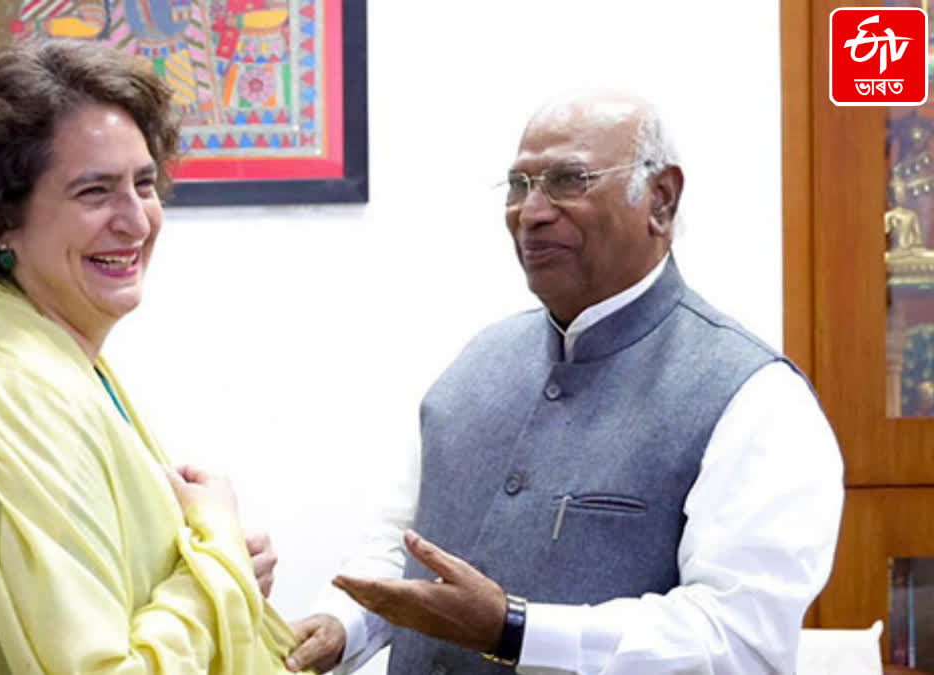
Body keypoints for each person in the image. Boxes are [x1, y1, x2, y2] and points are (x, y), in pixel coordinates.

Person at [286, 92, 845, 674]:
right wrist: (341, 625)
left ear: (661, 199)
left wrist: (516, 630)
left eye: (567, 180)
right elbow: (404, 542)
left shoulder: (756, 399)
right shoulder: (477, 365)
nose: (530, 212)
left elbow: (735, 642)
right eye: (518, 184)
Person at [0, 39, 305, 675]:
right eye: (94, 192)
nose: (136, 221)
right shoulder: (25, 404)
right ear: (1, 218)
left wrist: (218, 566)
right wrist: (218, 554)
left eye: (144, 183)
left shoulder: (49, 360)